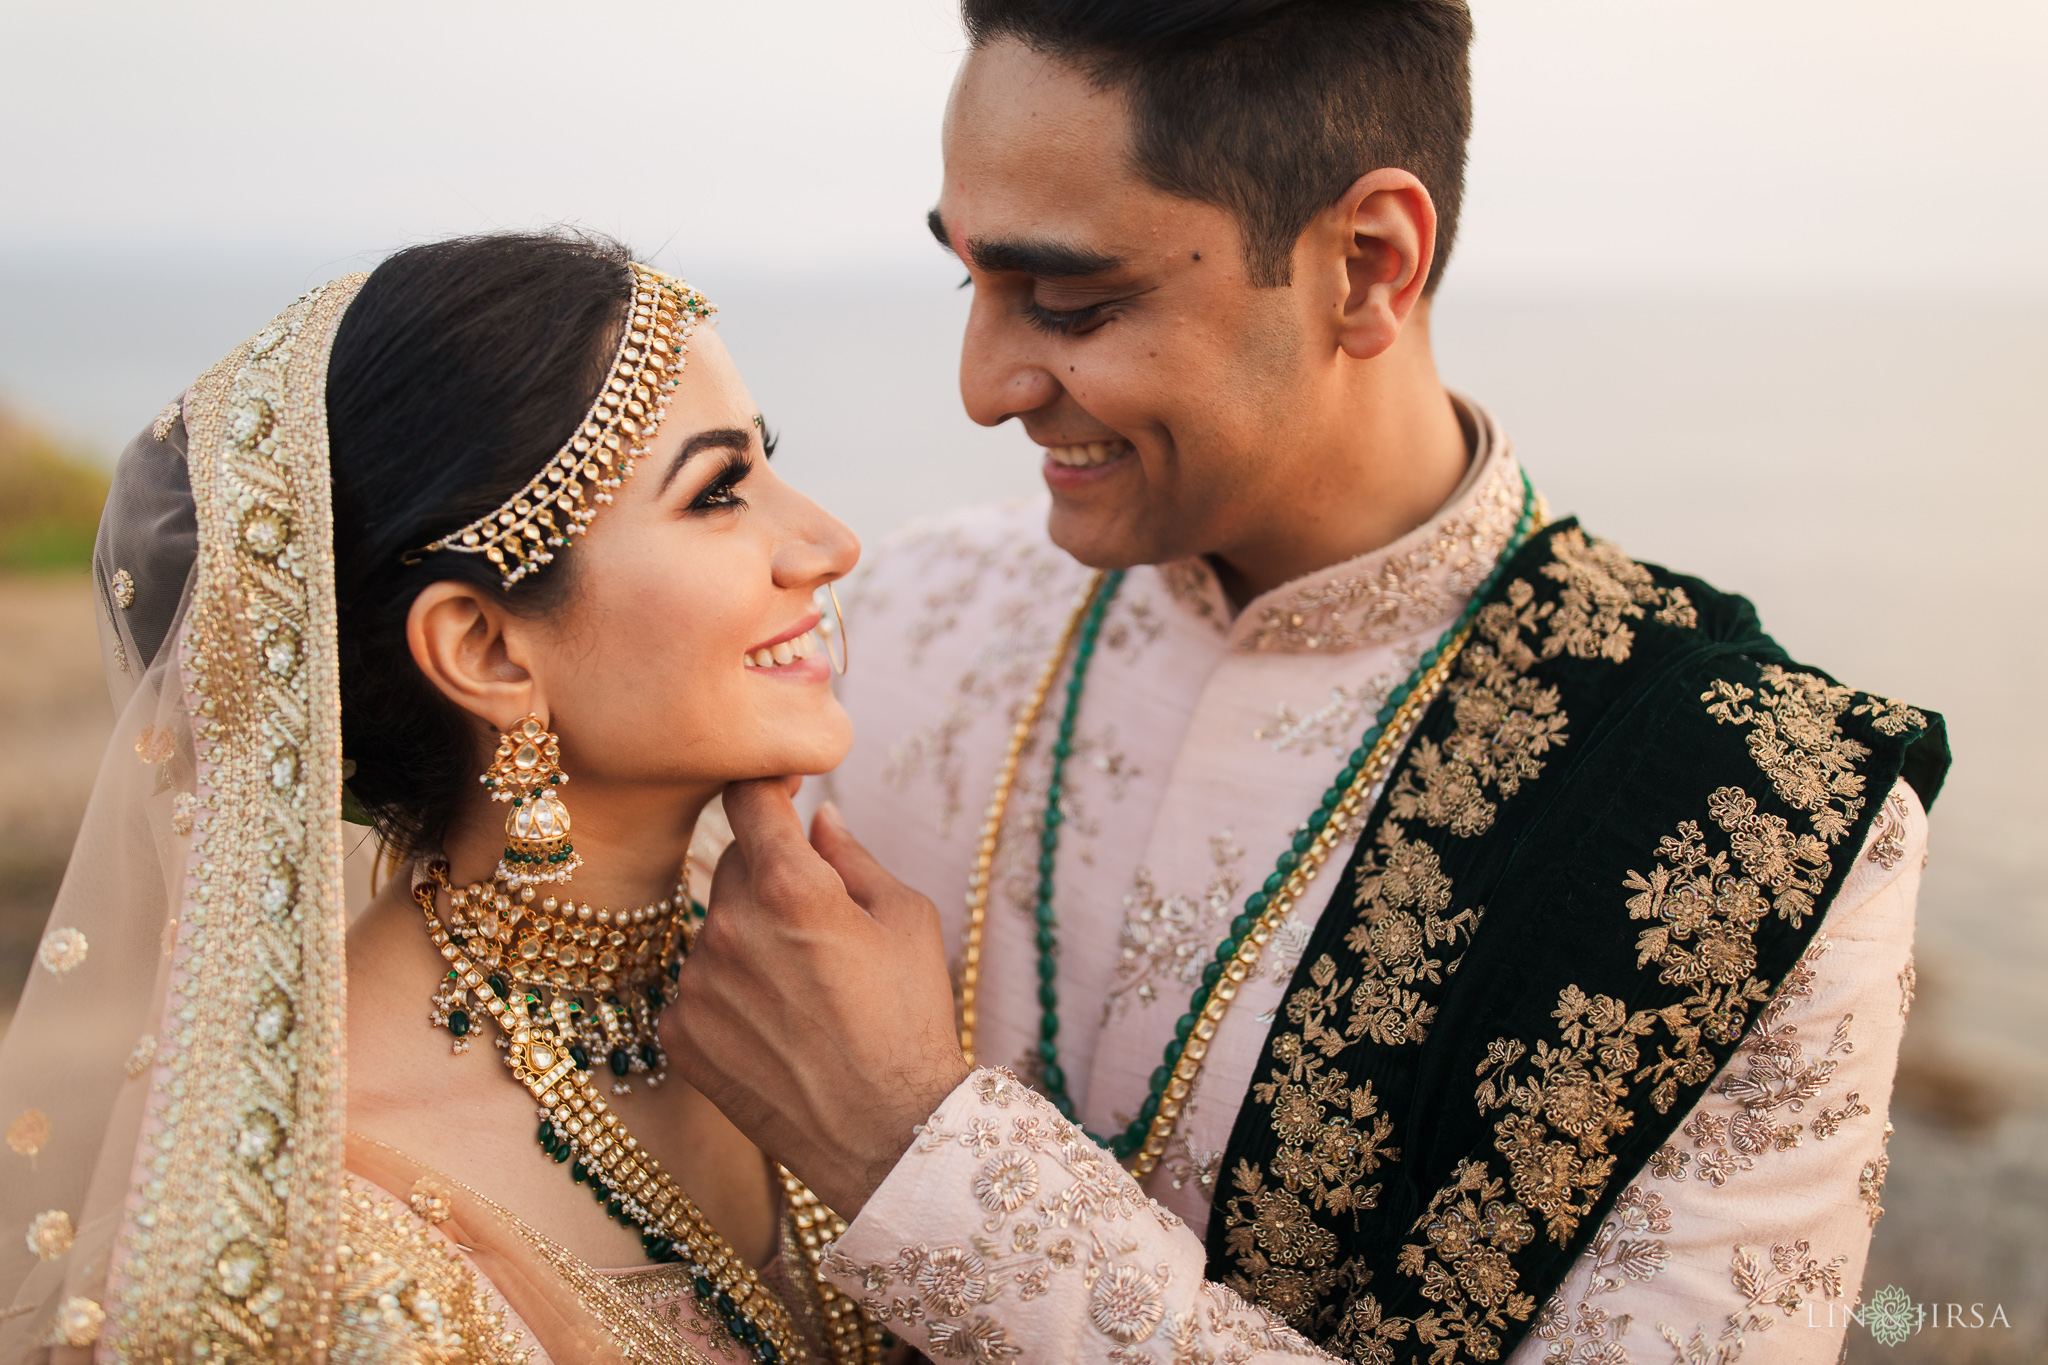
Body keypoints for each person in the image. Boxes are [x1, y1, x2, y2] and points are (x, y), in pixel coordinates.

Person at [664, 3, 1951, 1363]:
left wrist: (911, 1156)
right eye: (967, 280)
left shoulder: (1758, 819)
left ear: (1369, 265)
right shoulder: (902, 619)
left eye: (1071, 302)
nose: (984, 386)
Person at [0, 232, 888, 1363]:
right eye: (718, 492)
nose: (829, 541)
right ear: (484, 650)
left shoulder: (822, 980)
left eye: (766, 464)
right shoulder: (321, 1262)